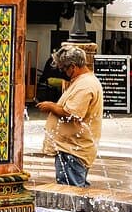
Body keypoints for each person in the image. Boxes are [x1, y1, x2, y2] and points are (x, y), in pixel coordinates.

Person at [36, 45, 104, 187]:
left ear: (73, 66)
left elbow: (72, 113)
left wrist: (51, 106)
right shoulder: (82, 81)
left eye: (64, 69)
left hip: (73, 150)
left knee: (71, 193)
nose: (63, 72)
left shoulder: (85, 85)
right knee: (73, 189)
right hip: (71, 148)